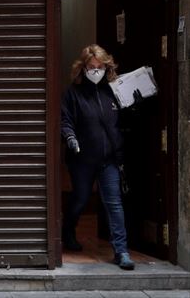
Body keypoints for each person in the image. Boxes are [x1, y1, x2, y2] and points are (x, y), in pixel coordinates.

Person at [60, 44, 141, 270]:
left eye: (99, 67)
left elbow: (124, 122)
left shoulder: (113, 91)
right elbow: (65, 120)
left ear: (107, 67)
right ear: (83, 68)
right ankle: (68, 231)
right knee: (81, 198)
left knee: (114, 203)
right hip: (82, 160)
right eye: (91, 67)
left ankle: (121, 251)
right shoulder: (73, 94)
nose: (96, 71)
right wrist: (70, 138)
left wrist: (134, 108)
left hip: (109, 159)